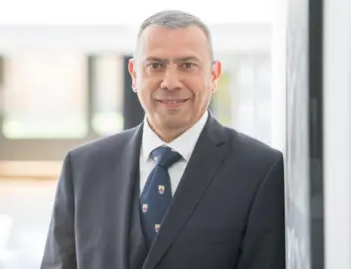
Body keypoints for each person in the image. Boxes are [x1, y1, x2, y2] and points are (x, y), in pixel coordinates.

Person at [40, 9, 285, 269]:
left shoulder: (260, 171)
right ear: (134, 74)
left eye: (187, 65)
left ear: (214, 75)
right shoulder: (83, 167)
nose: (170, 82)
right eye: (155, 65)